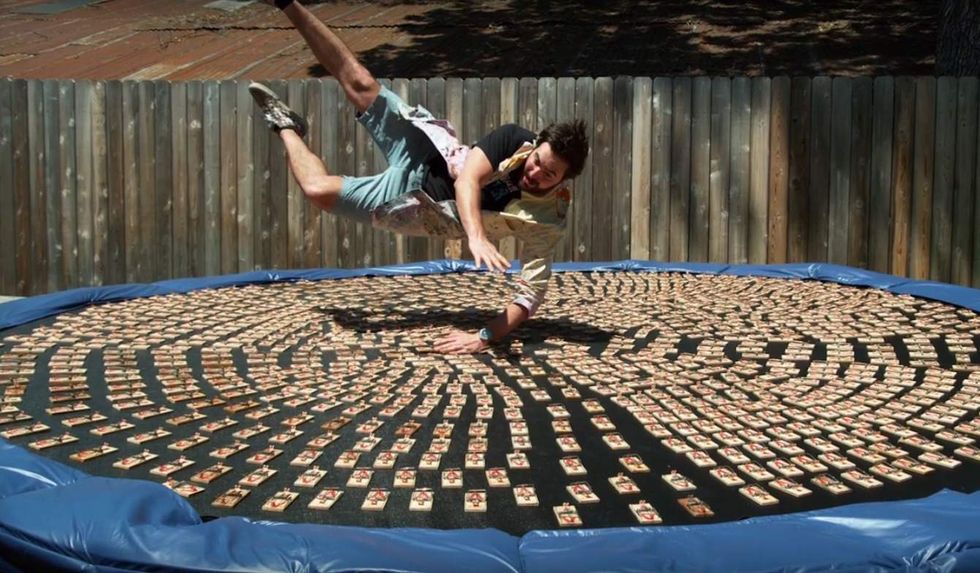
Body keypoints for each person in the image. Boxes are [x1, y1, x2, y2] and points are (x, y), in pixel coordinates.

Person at [251, 0, 589, 354]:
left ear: (565, 181)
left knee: (316, 189)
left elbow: (531, 293)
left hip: (418, 203)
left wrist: (484, 337)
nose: (535, 173)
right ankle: (287, 4)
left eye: (548, 174)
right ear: (535, 145)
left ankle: (287, 127)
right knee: (361, 82)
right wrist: (476, 237)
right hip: (424, 151)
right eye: (537, 161)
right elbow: (468, 180)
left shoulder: (547, 220)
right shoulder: (514, 139)